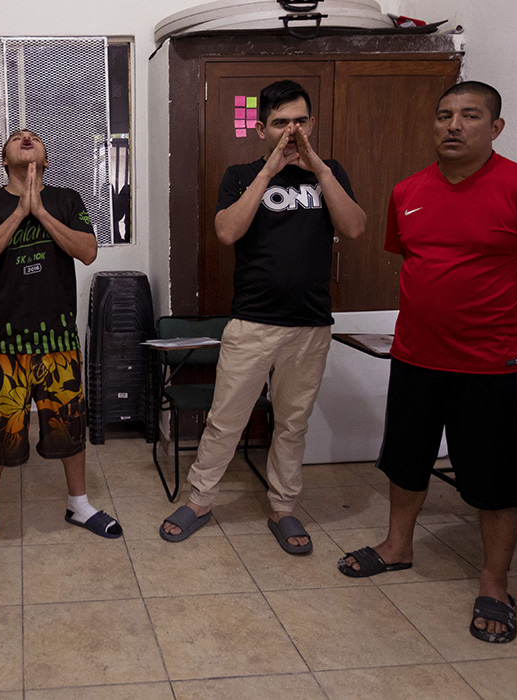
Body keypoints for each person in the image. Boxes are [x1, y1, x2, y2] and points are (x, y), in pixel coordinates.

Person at [337, 81, 517, 644]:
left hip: (492, 363)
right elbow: (411, 259)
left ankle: (494, 582)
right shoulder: (408, 191)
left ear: (495, 128)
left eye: (470, 116)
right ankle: (397, 547)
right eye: (444, 115)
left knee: (498, 480)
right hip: (416, 356)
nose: (453, 125)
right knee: (405, 459)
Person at [159, 80, 366, 553]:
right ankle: (200, 500)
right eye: (280, 123)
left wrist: (318, 170)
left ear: (311, 124)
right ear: (261, 129)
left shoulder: (329, 172)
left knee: (293, 423)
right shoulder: (239, 174)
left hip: (311, 325)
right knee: (226, 419)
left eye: (298, 121)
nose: (291, 130)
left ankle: (284, 508)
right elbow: (228, 232)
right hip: (253, 322)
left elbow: (354, 227)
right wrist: (270, 172)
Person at [0, 129, 119, 557]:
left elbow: (87, 251)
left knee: (68, 424)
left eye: (34, 136)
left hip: (57, 338)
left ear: (45, 158)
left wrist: (40, 212)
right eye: (16, 137)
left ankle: (78, 505)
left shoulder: (68, 200)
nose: (26, 138)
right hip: (3, 339)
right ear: (4, 159)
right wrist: (18, 212)